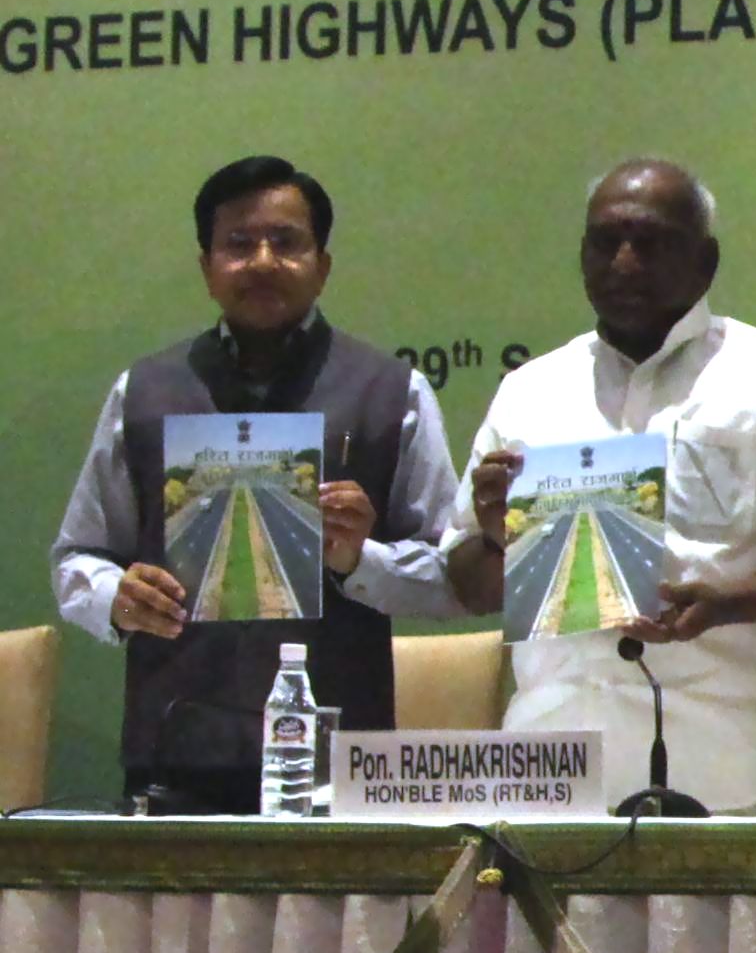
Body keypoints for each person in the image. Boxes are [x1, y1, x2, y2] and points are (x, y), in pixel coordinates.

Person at [448, 162, 756, 813]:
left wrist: (725, 601)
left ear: (706, 261)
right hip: (549, 771)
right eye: (605, 242)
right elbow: (468, 578)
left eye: (651, 241)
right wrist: (501, 539)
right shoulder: (530, 390)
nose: (624, 261)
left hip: (728, 770)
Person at [48, 157, 467, 811]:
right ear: (208, 267)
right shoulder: (145, 393)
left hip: (342, 768)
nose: (264, 260)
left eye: (287, 242)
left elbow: (453, 576)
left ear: (322, 264)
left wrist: (361, 559)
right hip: (177, 757)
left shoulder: (393, 392)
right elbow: (77, 556)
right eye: (239, 244)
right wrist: (114, 596)